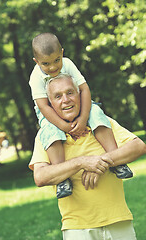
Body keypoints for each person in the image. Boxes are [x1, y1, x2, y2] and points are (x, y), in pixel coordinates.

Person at [29, 74, 146, 240]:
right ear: (51, 105)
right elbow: (40, 177)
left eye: (70, 93)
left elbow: (138, 147)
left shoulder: (101, 123)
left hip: (119, 220)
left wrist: (99, 163)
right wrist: (81, 163)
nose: (65, 100)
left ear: (80, 96)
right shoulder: (46, 135)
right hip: (77, 228)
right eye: (58, 96)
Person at [29, 33, 132, 198]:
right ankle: (62, 178)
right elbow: (43, 106)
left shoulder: (68, 64)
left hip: (77, 103)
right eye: (46, 64)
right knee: (50, 132)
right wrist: (63, 126)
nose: (53, 67)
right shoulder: (36, 77)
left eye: (57, 60)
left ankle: (116, 161)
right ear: (36, 61)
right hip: (49, 111)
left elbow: (84, 89)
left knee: (97, 112)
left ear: (62, 53)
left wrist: (84, 118)